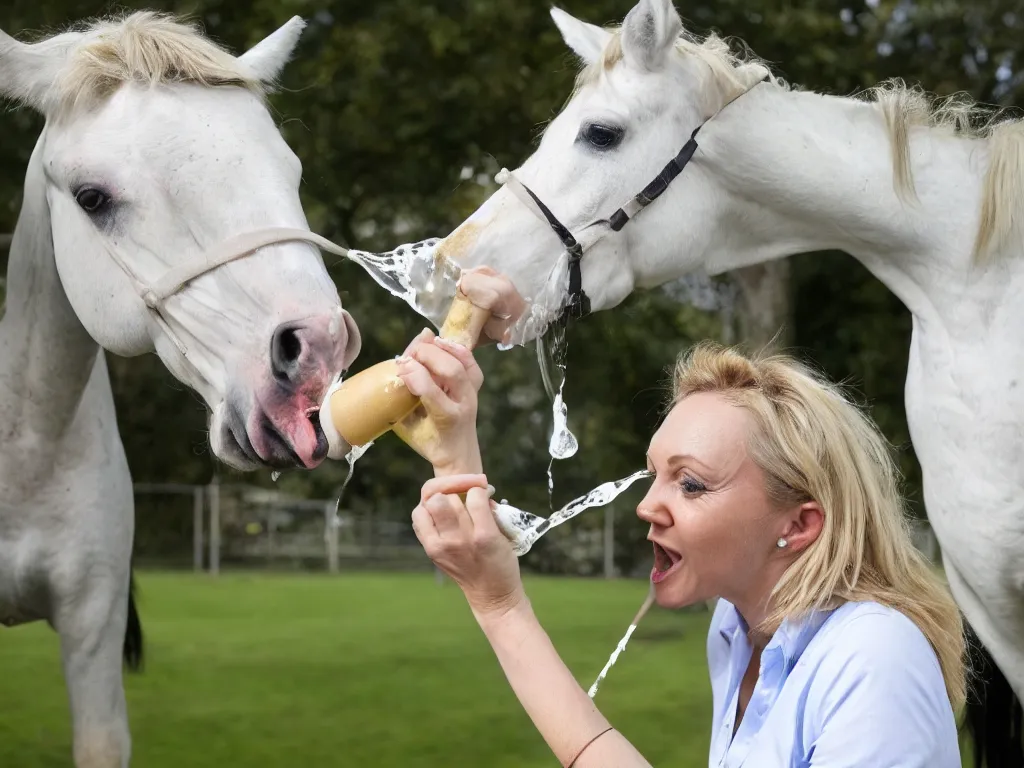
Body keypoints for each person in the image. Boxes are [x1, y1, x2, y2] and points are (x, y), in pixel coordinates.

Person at [394, 280, 965, 767]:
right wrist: (455, 454)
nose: (646, 506)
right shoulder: (736, 632)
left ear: (800, 524)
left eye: (690, 483)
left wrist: (503, 609)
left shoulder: (874, 658)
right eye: (653, 476)